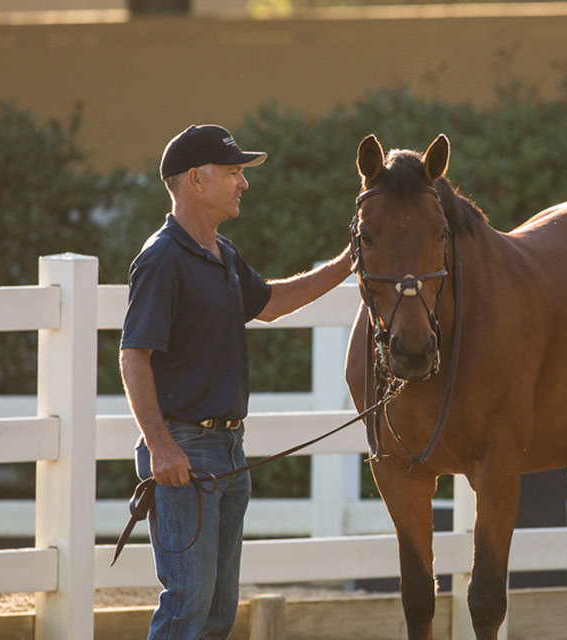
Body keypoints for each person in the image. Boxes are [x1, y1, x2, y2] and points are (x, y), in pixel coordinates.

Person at [120, 124, 352, 640]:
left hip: (228, 450)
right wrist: (161, 447)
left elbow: (270, 304)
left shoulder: (222, 254)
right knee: (188, 604)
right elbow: (133, 357)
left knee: (219, 612)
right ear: (196, 181)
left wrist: (347, 263)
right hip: (185, 453)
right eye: (233, 173)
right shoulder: (161, 259)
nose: (243, 183)